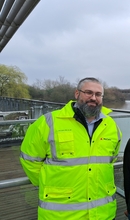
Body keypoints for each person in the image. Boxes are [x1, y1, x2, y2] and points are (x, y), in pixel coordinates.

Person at [20, 77, 122, 220]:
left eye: (98, 94)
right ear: (77, 93)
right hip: (60, 214)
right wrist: (47, 182)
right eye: (88, 92)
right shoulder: (48, 123)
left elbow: (111, 158)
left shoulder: (111, 125)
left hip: (102, 213)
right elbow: (29, 159)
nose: (93, 98)